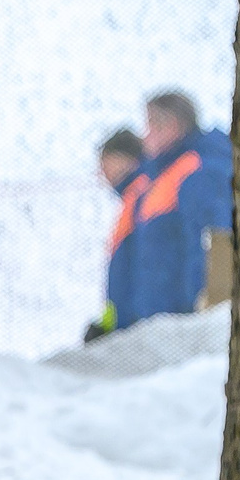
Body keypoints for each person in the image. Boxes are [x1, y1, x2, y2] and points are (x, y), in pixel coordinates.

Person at [113, 89, 234, 333]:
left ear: (171, 127)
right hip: (158, 324)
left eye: (149, 125)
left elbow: (211, 244)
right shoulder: (160, 177)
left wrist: (201, 313)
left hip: (184, 325)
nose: (144, 137)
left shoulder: (197, 171)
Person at [86, 127, 148, 343]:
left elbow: (138, 273)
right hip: (131, 327)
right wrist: (107, 325)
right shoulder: (133, 199)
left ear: (126, 161)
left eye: (106, 164)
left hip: (139, 328)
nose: (102, 174)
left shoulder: (141, 197)